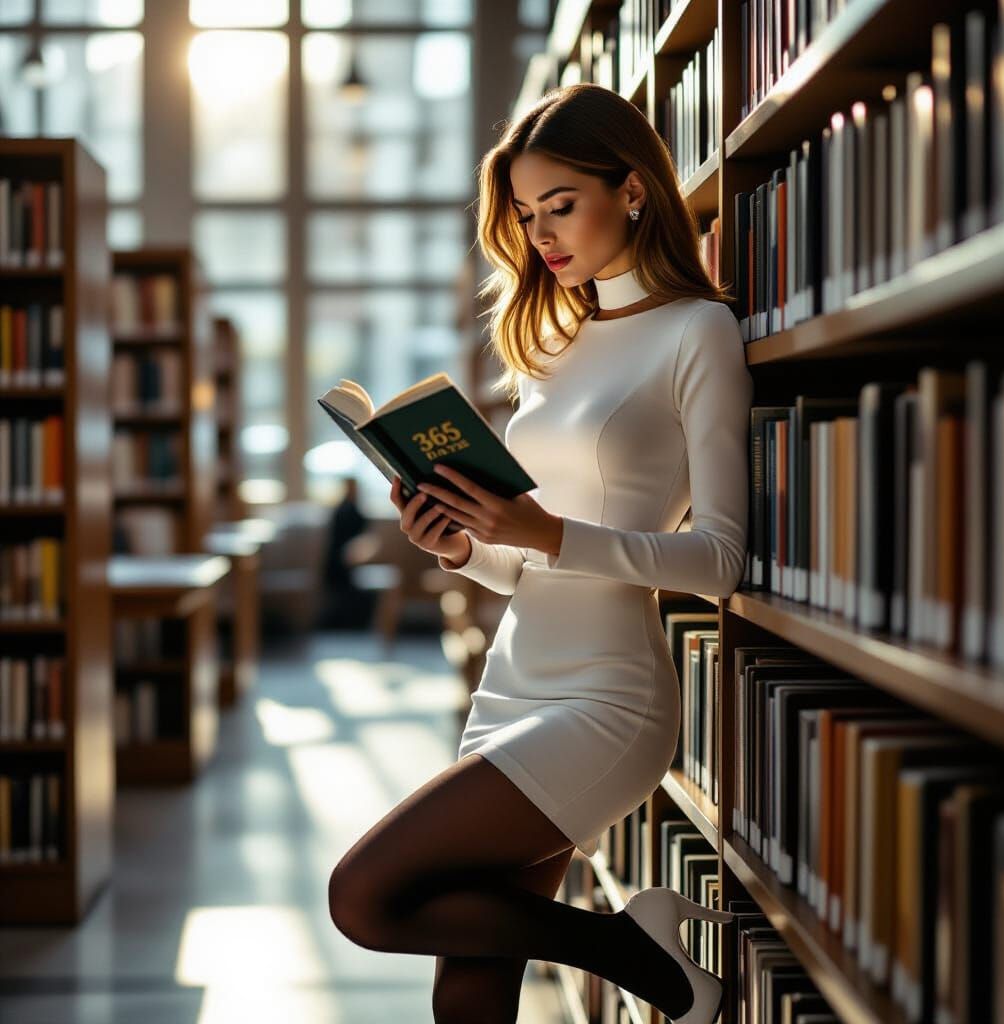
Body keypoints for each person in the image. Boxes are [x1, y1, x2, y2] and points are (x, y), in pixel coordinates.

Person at [327, 82, 752, 1024]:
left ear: (633, 190)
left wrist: (545, 532)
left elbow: (719, 558)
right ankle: (644, 954)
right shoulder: (554, 342)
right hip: (514, 680)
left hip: (607, 696)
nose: (542, 235)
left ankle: (638, 956)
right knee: (467, 999)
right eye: (525, 215)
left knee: (365, 896)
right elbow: (529, 565)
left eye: (561, 205)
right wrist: (461, 546)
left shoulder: (698, 331)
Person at [319, 475, 369, 628]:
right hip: (341, 558)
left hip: (342, 557)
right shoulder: (347, 509)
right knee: (343, 592)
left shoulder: (344, 508)